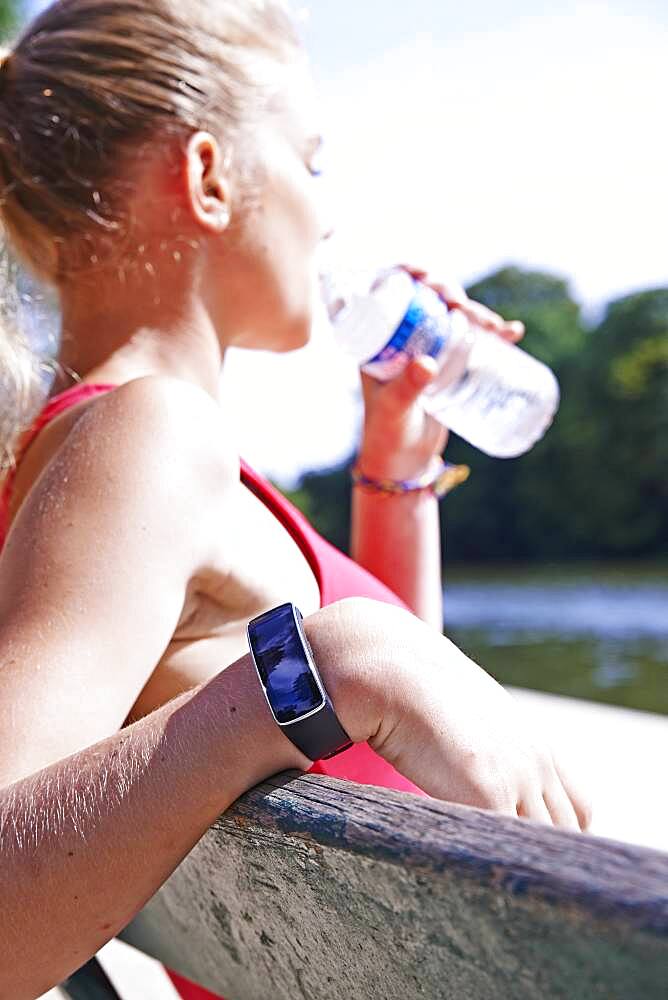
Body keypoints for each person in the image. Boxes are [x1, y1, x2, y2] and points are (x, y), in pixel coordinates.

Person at [0, 1, 590, 997]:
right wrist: (318, 669)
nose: (326, 214)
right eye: (309, 162)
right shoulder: (146, 439)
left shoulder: (107, 451)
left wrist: (395, 469)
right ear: (208, 178)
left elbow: (384, 756)